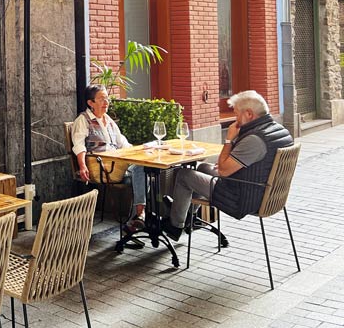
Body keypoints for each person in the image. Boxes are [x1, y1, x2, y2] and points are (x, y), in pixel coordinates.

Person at [161, 89, 293, 241]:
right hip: (266, 194)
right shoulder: (279, 131)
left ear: (249, 114)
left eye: (236, 114)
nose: (234, 119)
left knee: (184, 175)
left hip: (243, 199)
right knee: (203, 168)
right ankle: (188, 217)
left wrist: (229, 139)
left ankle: (175, 226)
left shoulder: (255, 140)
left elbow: (223, 171)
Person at [71, 84, 146, 233]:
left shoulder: (108, 120)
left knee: (145, 171)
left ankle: (136, 220)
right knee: (141, 171)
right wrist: (82, 166)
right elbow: (79, 146)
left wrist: (141, 152)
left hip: (118, 165)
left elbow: (123, 144)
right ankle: (138, 216)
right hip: (102, 168)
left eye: (107, 98)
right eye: (102, 99)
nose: (106, 102)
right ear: (90, 103)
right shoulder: (83, 120)